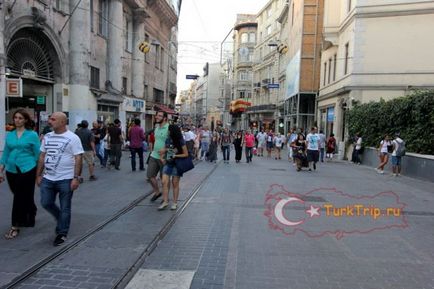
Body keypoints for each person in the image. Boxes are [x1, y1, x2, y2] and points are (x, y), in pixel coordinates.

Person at [36, 112, 84, 246]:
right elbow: (42, 156)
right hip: (48, 178)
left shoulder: (73, 138)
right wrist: (38, 175)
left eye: (53, 119)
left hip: (66, 179)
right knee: (46, 203)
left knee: (65, 207)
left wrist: (76, 178)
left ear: (62, 122)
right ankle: (60, 219)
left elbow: (78, 158)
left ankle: (62, 233)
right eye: (50, 118)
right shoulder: (47, 137)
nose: (49, 121)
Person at [0, 109, 40, 239]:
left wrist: (38, 171)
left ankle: (15, 226)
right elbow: (6, 152)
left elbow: (37, 154)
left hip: (27, 168)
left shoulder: (32, 135)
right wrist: (1, 168)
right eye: (16, 117)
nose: (17, 120)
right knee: (21, 194)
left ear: (26, 120)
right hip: (11, 169)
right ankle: (32, 210)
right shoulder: (10, 135)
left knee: (18, 198)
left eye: (20, 118)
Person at [158, 125, 189, 210]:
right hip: (168, 163)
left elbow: (186, 154)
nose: (167, 132)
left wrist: (175, 155)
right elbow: (165, 148)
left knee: (175, 183)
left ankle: (174, 203)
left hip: (177, 164)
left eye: (169, 130)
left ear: (173, 131)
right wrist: (162, 157)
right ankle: (165, 201)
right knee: (164, 182)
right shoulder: (168, 139)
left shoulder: (180, 140)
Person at [148, 111, 169, 202]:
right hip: (154, 155)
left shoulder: (169, 128)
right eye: (157, 115)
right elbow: (156, 140)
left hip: (164, 158)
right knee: (150, 176)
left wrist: (166, 150)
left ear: (164, 118)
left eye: (159, 116)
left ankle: (165, 197)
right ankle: (157, 192)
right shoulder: (156, 128)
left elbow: (174, 143)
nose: (157, 117)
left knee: (164, 179)